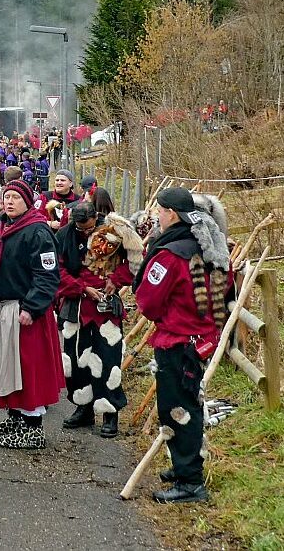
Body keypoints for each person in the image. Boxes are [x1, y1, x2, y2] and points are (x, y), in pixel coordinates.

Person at [133, 188, 230, 503]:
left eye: (160, 211)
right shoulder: (210, 246)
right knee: (189, 405)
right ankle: (184, 466)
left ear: (171, 213)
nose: (157, 217)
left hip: (178, 342)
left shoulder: (171, 255)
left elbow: (148, 301)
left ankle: (190, 483)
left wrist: (166, 315)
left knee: (178, 410)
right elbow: (225, 290)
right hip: (200, 340)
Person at [0, 180, 65, 449]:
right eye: (6, 197)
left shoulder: (37, 231)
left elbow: (47, 274)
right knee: (9, 368)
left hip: (26, 311)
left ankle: (33, 429)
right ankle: (16, 418)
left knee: (28, 369)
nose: (9, 202)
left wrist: (32, 307)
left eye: (15, 198)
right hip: (7, 307)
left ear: (28, 202)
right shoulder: (6, 227)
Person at [57, 206, 142, 438]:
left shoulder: (115, 231)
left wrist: (116, 279)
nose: (85, 232)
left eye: (89, 228)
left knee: (108, 359)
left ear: (96, 218)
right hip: (76, 304)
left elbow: (133, 263)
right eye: (80, 229)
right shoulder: (65, 235)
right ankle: (83, 407)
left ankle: (110, 412)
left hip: (106, 306)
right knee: (76, 359)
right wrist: (81, 288)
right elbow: (58, 269)